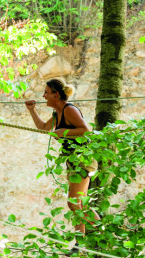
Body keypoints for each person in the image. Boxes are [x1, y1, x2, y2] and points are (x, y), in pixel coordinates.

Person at [25, 78, 98, 235]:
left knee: (74, 203)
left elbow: (86, 131)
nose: (44, 96)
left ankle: (98, 235)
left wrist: (64, 132)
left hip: (82, 160)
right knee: (80, 204)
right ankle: (83, 241)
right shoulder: (58, 113)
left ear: (56, 95)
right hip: (74, 161)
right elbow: (44, 127)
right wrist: (32, 110)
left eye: (46, 92)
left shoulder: (69, 110)